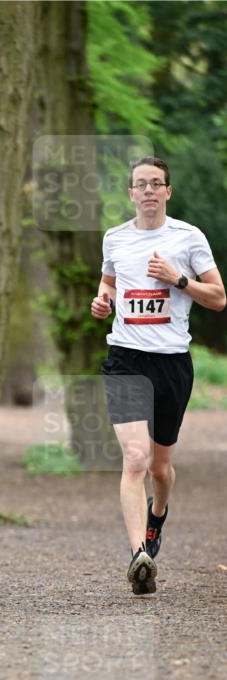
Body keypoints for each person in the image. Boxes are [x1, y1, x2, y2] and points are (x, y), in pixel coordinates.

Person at [91, 156, 225, 595]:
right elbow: (109, 283)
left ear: (168, 191)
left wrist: (179, 279)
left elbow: (219, 298)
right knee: (135, 459)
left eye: (156, 184)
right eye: (140, 184)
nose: (148, 191)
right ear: (130, 193)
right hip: (125, 358)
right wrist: (103, 301)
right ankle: (139, 557)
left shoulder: (189, 238)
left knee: (161, 469)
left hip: (171, 362)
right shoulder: (115, 238)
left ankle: (157, 517)